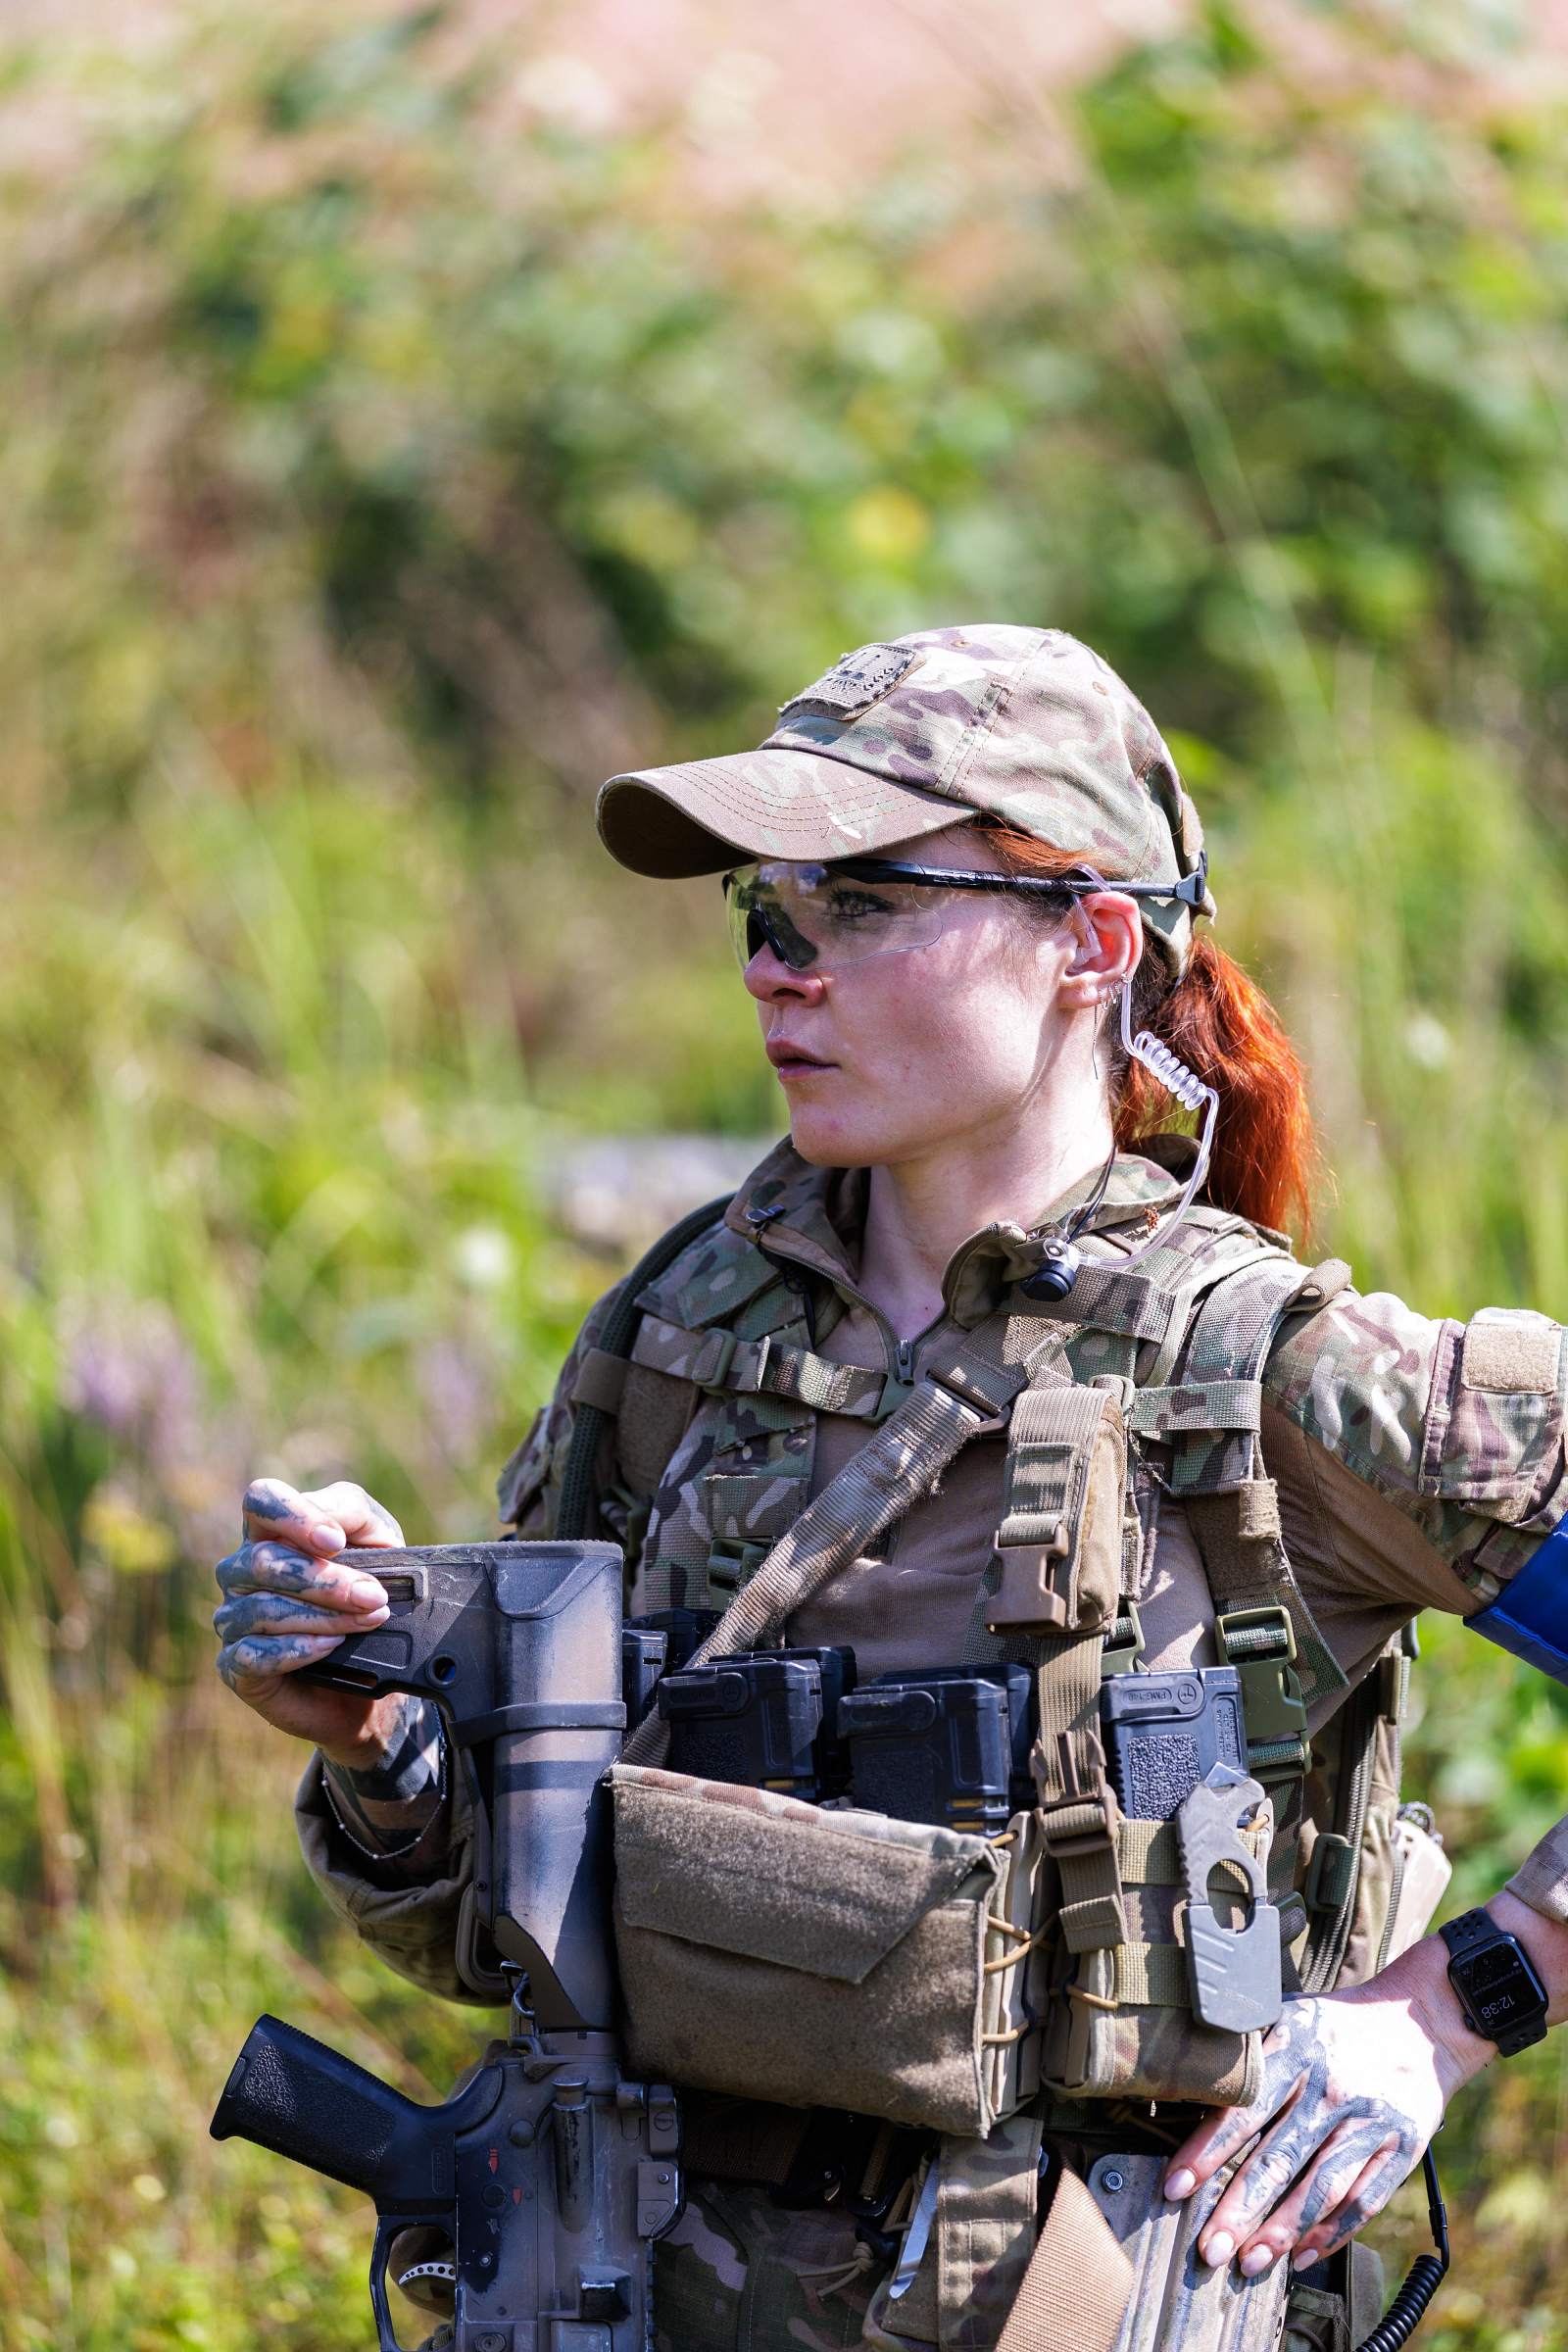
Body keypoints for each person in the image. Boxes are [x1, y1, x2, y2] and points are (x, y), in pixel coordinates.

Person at [215, 625, 1568, 2352]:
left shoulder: (1278, 1372)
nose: (776, 969)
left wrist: (1454, 2002)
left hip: (1075, 2299)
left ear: (1089, 942)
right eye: (764, 909)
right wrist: (378, 1742)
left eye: (858, 903)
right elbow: (497, 1936)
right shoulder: (686, 1325)